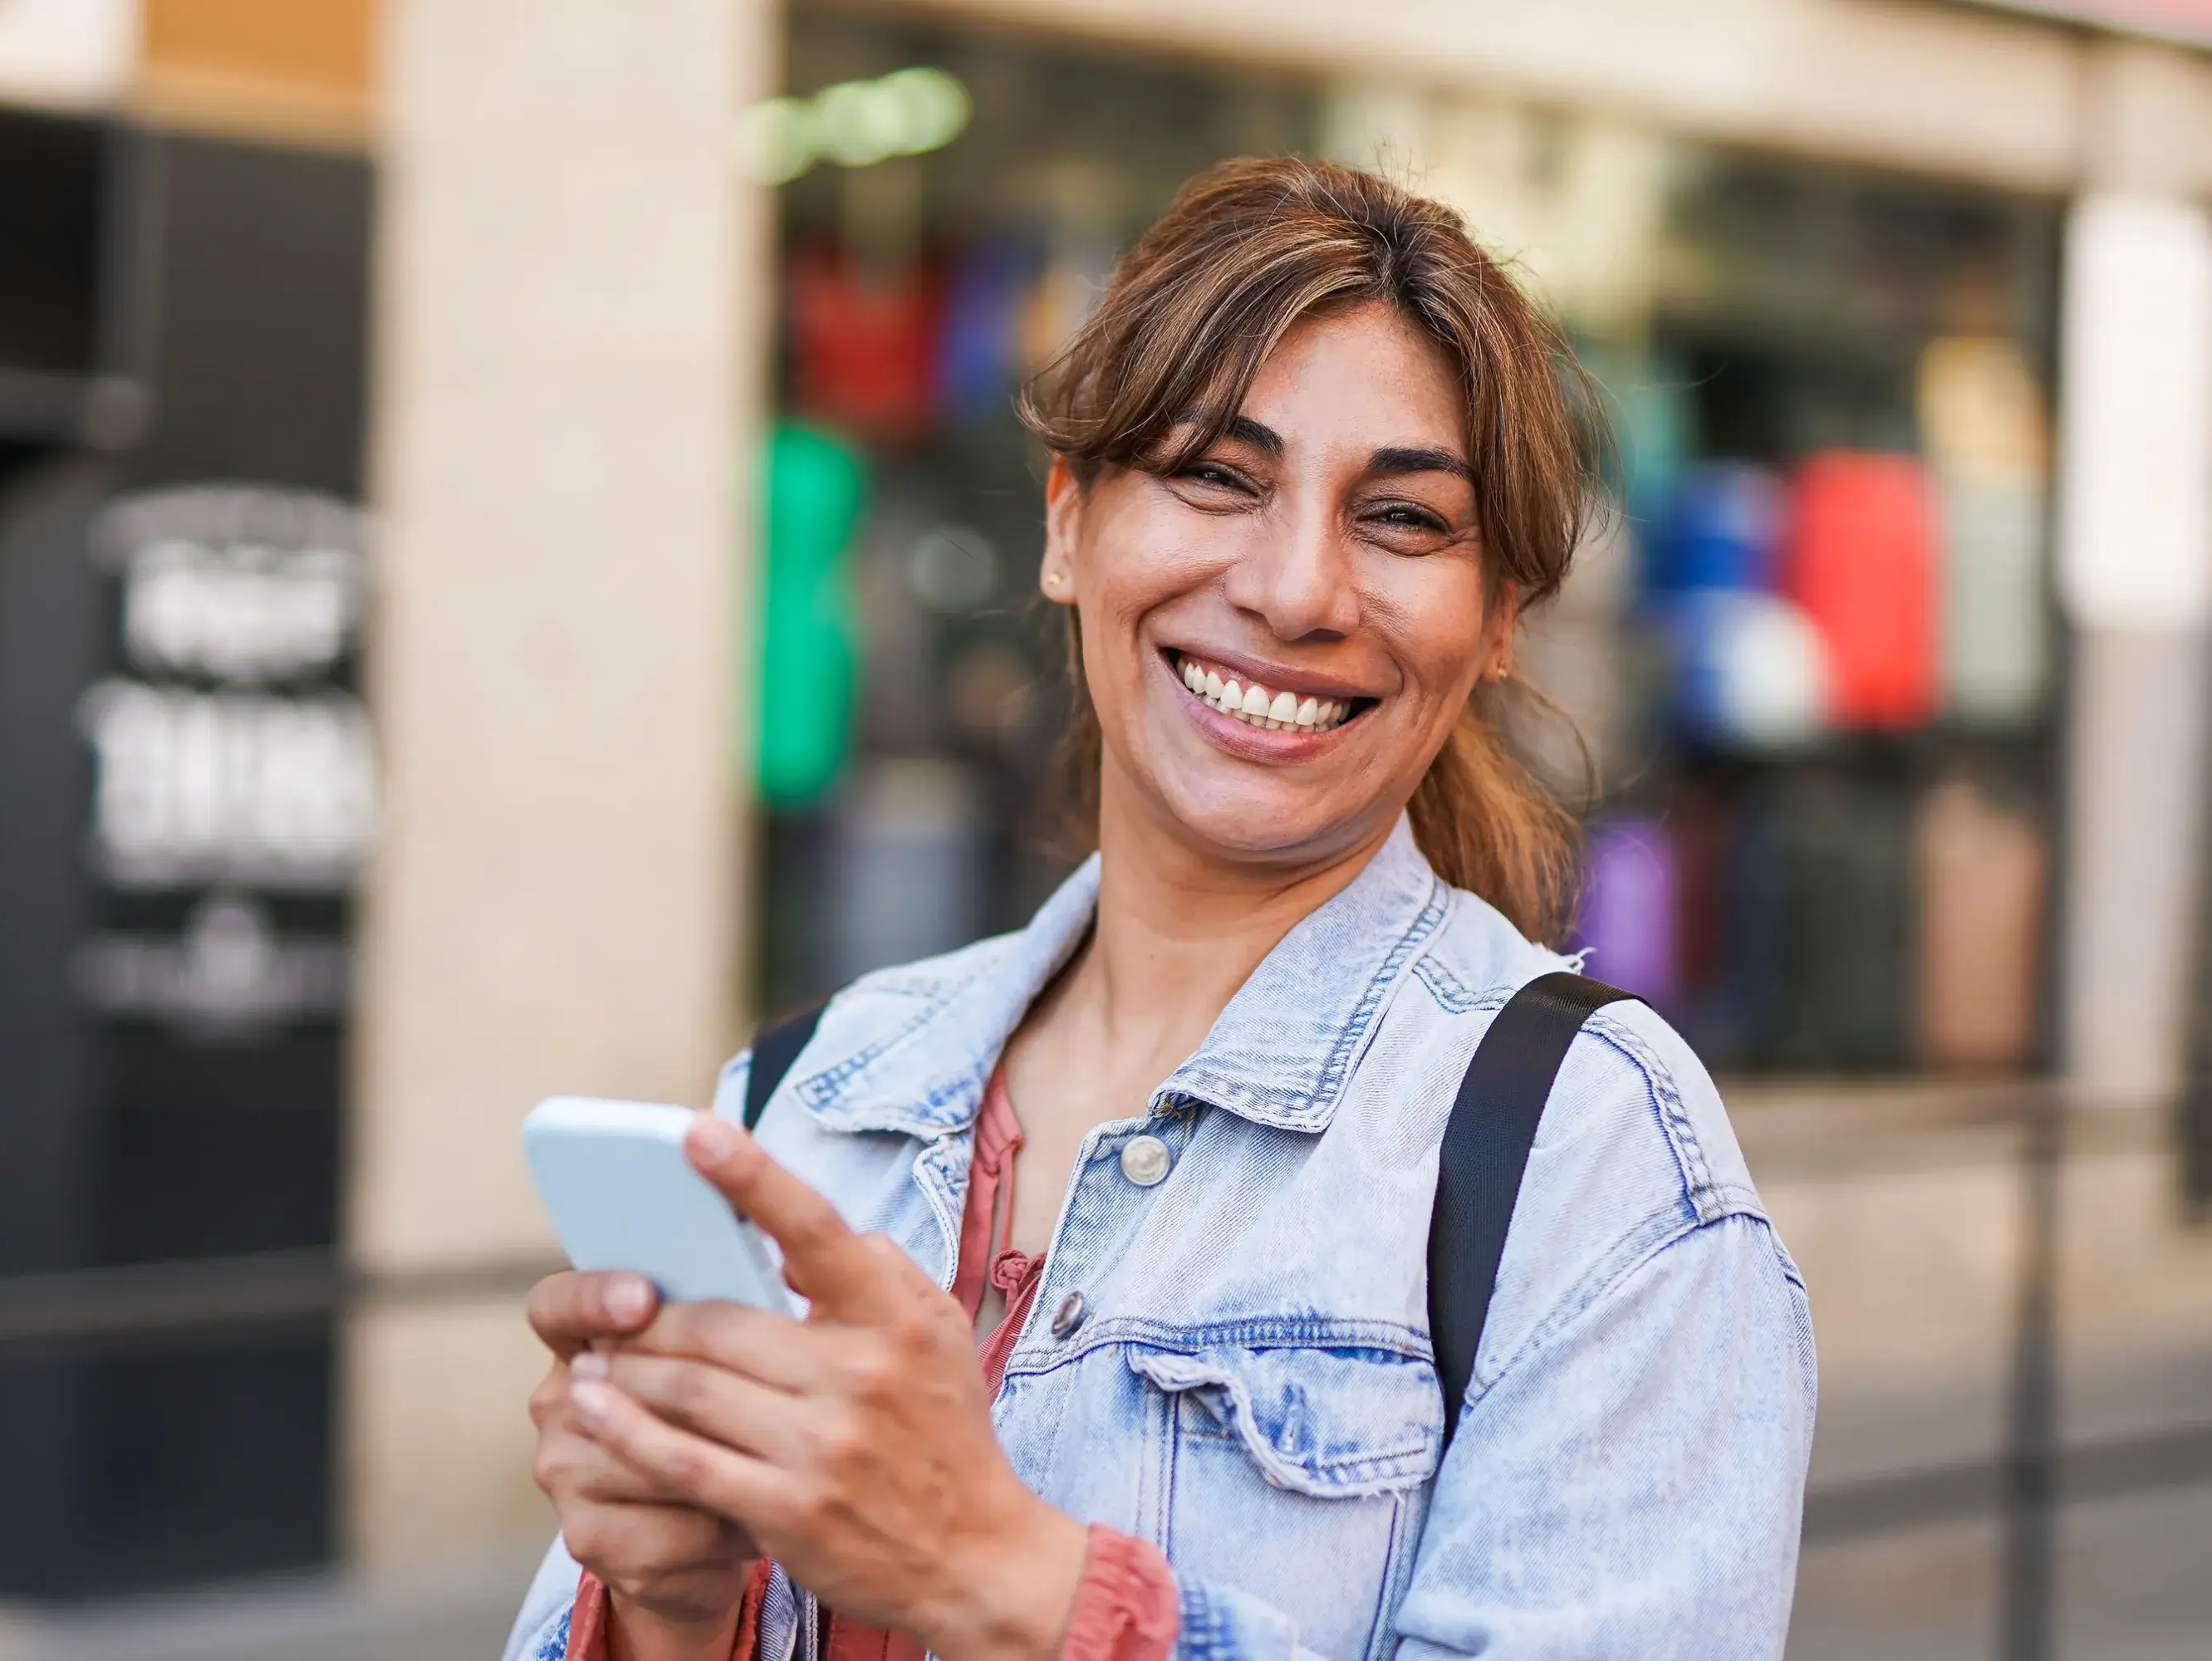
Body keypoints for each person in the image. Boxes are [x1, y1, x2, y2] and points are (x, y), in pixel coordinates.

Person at [505, 156, 1815, 1661]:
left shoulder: (1590, 1155)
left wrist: (1023, 1586)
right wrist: (670, 1612)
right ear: (1069, 526)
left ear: (1500, 622)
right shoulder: (812, 1098)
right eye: (1216, 476)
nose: (1298, 586)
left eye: (1401, 519)